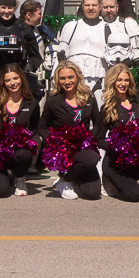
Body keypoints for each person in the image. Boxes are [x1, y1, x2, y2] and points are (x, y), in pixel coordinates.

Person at [37, 61, 103, 200]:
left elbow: (97, 123)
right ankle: (65, 180)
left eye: (70, 77)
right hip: (65, 152)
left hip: (83, 148)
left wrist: (91, 139)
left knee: (92, 193)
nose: (67, 81)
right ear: (58, 80)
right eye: (63, 78)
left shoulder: (88, 97)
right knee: (91, 159)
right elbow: (42, 126)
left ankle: (69, 178)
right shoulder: (53, 100)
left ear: (77, 77)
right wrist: (55, 143)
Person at [0, 64, 41, 197]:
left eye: (15, 78)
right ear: (3, 83)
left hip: (18, 152)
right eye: (8, 80)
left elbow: (34, 127)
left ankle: (19, 178)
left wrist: (27, 141)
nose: (12, 83)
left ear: (22, 79)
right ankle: (0, 174)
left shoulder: (31, 103)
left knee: (24, 155)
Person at [97, 64, 139, 202]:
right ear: (112, 81)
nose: (123, 84)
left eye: (126, 80)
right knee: (135, 195)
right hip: (115, 160)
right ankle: (109, 179)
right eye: (119, 80)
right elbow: (98, 138)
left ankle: (128, 180)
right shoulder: (107, 107)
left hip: (135, 157)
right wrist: (115, 146)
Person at [57, 0, 108, 93]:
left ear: (100, 7)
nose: (91, 8)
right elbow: (60, 55)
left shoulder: (107, 28)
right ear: (82, 7)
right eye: (87, 5)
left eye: (94, 5)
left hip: (99, 81)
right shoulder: (70, 27)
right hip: (72, 82)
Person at [100, 0, 139, 67]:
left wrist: (127, 59)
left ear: (117, 7)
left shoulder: (128, 24)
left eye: (112, 7)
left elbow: (138, 51)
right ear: (100, 8)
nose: (108, 10)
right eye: (105, 7)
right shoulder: (94, 26)